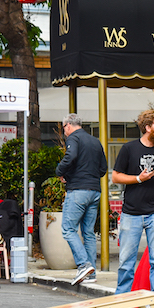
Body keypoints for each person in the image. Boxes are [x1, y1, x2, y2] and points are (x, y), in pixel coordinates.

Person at [106, 109, 154, 308]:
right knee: (126, 262)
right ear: (148, 128)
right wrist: (138, 178)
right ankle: (121, 304)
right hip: (131, 213)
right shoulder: (129, 149)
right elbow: (116, 177)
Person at [55, 113, 108, 285]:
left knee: (68, 229)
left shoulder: (74, 139)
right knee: (88, 233)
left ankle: (83, 265)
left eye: (64, 128)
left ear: (68, 125)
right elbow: (103, 169)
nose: (64, 132)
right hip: (94, 190)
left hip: (78, 191)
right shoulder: (95, 141)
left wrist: (60, 171)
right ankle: (90, 274)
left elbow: (71, 157)